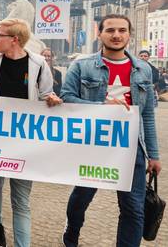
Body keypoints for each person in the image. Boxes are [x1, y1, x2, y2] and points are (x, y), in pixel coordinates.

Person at [61, 14, 161, 247]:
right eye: (111, 30)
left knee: (133, 208)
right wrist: (100, 107)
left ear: (129, 34)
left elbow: (147, 114)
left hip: (131, 148)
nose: (116, 35)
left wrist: (154, 155)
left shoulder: (143, 69)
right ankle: (71, 233)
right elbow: (67, 99)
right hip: (93, 146)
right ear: (100, 33)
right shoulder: (81, 65)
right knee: (82, 197)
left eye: (122, 30)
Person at [0, 18, 62, 247]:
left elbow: (46, 94)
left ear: (14, 40)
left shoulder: (38, 64)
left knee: (21, 200)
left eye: (0, 35)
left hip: (25, 141)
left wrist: (51, 99)